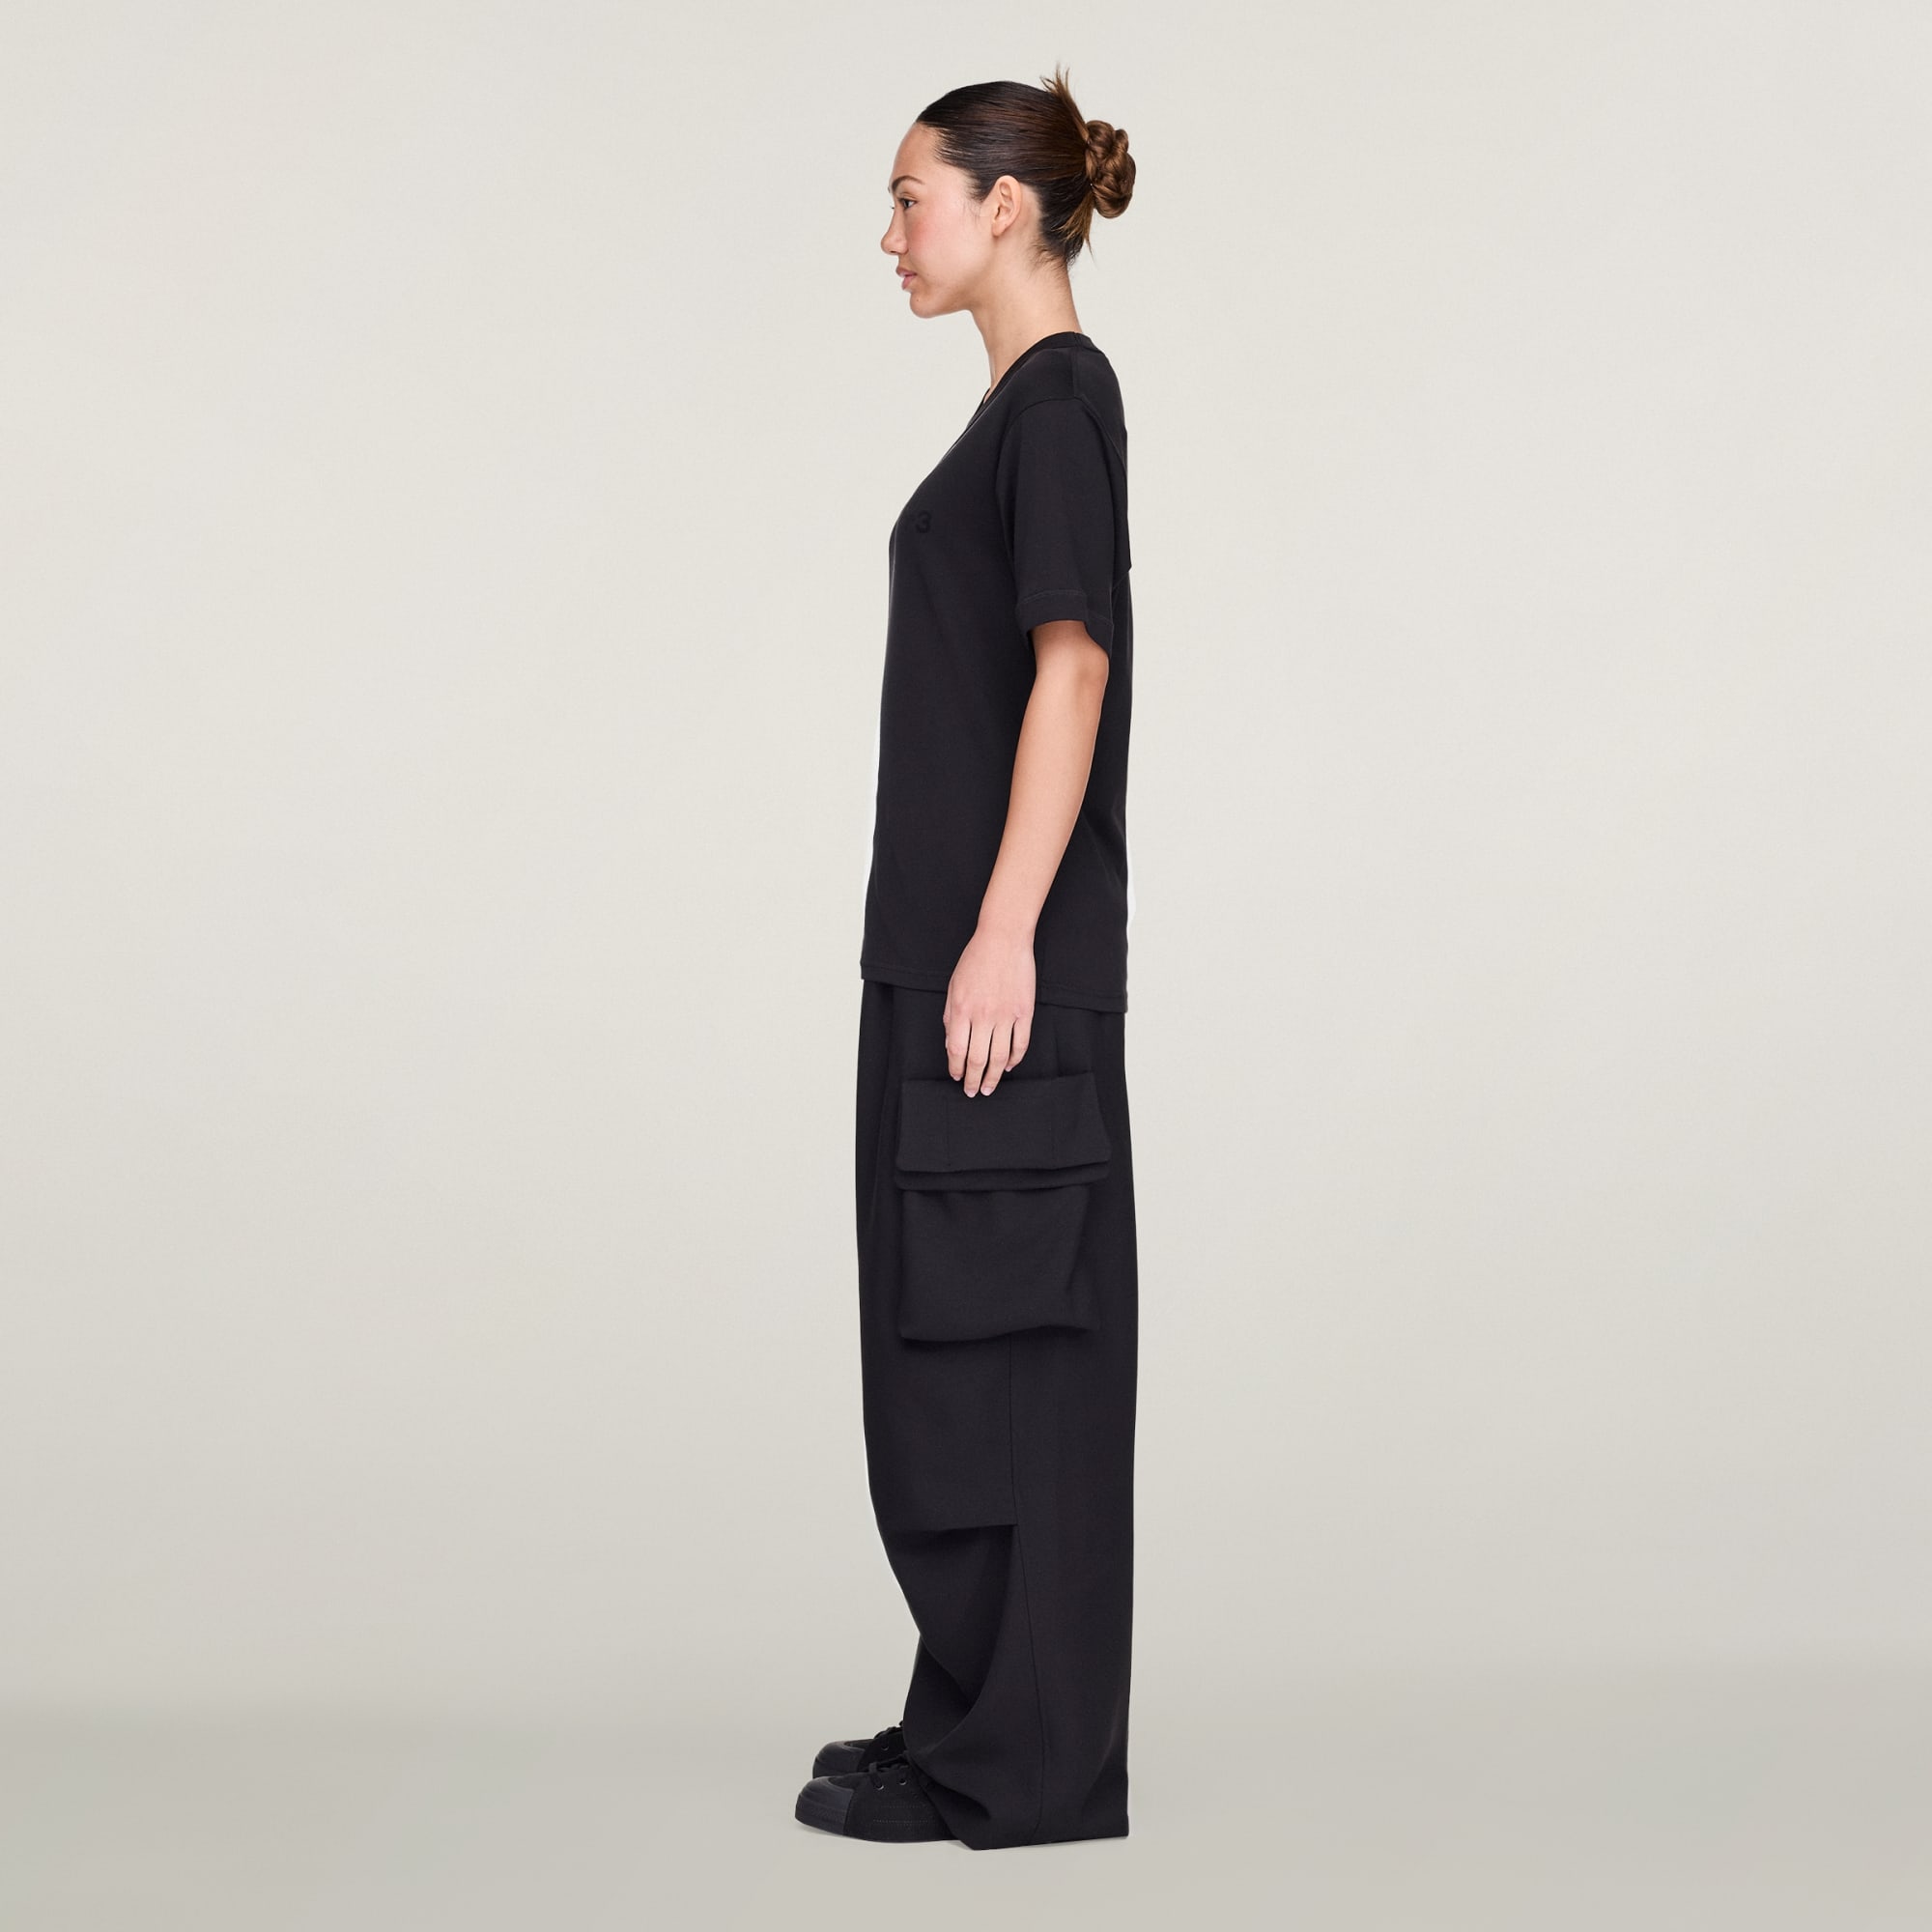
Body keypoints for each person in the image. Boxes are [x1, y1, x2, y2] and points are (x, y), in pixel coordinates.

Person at [792, 68, 1139, 1851]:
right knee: (948, 1360)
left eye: (911, 196)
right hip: (943, 963)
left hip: (1003, 971)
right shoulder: (1015, 415)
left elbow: (1072, 670)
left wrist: (1003, 933)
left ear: (1007, 207)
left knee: (1018, 1368)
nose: (891, 234)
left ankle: (1035, 1767)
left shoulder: (1060, 404)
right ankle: (971, 1722)